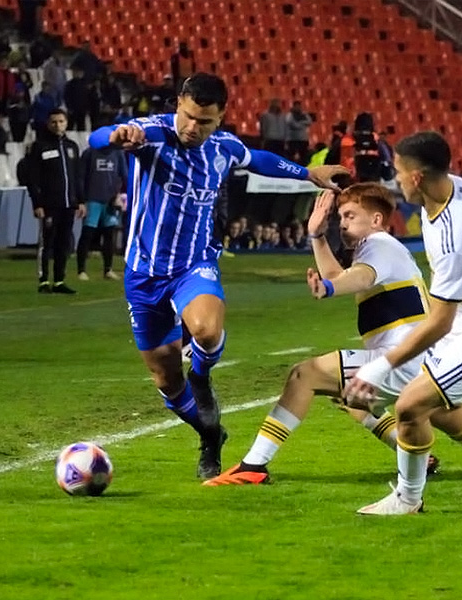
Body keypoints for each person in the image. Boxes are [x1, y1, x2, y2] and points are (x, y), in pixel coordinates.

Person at [88, 72, 347, 479]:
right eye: (189, 117)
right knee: (166, 378)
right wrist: (116, 136)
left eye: (205, 122)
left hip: (194, 264)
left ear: (221, 117)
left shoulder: (223, 148)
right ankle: (210, 435)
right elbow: (97, 138)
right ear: (178, 105)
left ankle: (203, 373)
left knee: (206, 331)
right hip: (143, 275)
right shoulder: (150, 134)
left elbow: (256, 158)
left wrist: (308, 174)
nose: (194, 128)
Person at [344, 131, 462, 515]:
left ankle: (408, 499)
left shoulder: (455, 234)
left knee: (411, 405)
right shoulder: (454, 189)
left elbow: (439, 322)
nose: (394, 181)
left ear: (417, 177)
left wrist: (380, 367)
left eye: (398, 173)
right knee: (440, 409)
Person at [204, 183, 449, 486]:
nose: (342, 223)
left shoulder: (379, 245)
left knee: (304, 375)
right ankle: (413, 452)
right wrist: (317, 236)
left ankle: (254, 465)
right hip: (415, 359)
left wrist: (330, 288)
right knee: (351, 397)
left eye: (350, 215)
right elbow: (338, 275)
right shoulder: (381, 248)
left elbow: (359, 278)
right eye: (341, 217)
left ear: (375, 219)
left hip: (403, 360)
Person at [26, 108, 85, 293]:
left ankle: (59, 280)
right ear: (48, 124)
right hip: (49, 204)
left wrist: (80, 201)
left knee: (64, 242)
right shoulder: (40, 146)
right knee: (46, 243)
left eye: (61, 121)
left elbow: (77, 177)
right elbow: (32, 178)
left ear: (66, 123)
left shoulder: (72, 146)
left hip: (68, 204)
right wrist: (37, 203)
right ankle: (43, 280)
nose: (57, 125)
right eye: (54, 122)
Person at [76, 143, 127, 281]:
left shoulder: (117, 153)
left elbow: (124, 175)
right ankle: (81, 270)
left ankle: (108, 270)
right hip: (92, 199)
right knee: (87, 233)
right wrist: (82, 199)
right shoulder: (89, 153)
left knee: (109, 234)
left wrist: (121, 196)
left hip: (110, 200)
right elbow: (80, 177)